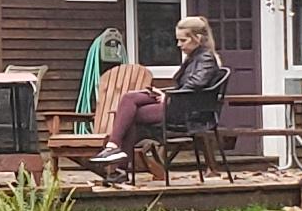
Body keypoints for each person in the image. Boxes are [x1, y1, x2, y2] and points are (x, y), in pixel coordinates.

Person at [90, 16, 227, 183]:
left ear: (197, 39)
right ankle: (116, 158)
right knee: (129, 98)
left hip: (187, 112)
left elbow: (196, 84)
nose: (179, 45)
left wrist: (167, 96)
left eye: (182, 40)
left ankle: (116, 158)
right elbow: (190, 85)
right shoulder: (194, 57)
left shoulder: (205, 58)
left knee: (131, 116)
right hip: (179, 104)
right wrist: (162, 93)